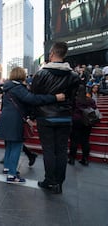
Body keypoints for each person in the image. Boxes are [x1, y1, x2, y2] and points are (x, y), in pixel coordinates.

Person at [0, 67, 65, 184]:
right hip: (15, 120)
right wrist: (54, 97)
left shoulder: (7, 88)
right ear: (21, 75)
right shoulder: (18, 88)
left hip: (6, 119)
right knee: (16, 146)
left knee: (9, 145)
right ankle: (12, 175)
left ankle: (7, 168)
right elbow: (32, 99)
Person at [31, 42, 80, 194]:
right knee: (61, 151)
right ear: (64, 54)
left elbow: (34, 97)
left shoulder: (41, 74)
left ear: (51, 53)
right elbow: (72, 99)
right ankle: (59, 183)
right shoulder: (74, 76)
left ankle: (49, 181)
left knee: (49, 150)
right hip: (65, 118)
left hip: (45, 118)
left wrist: (33, 116)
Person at [68, 85, 97, 166]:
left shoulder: (75, 100)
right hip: (87, 121)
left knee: (74, 140)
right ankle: (85, 159)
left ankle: (72, 159)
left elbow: (70, 109)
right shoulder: (90, 100)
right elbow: (94, 108)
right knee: (85, 140)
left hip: (76, 121)